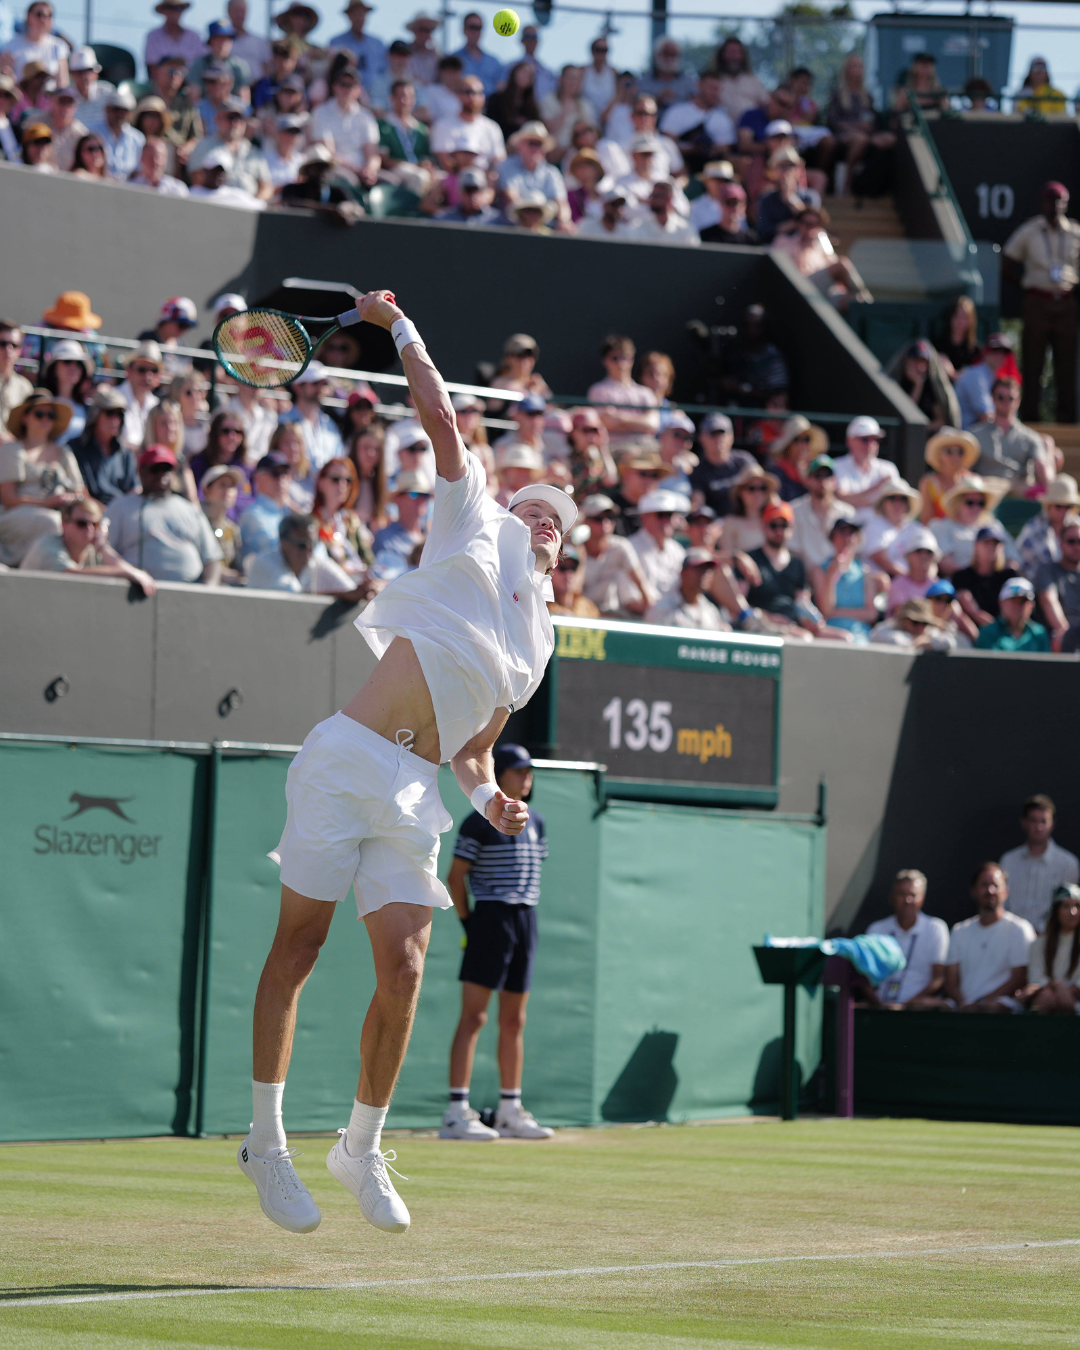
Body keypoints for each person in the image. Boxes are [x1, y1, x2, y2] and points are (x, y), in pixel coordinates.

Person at [239, 289, 574, 1235]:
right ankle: (266, 1142)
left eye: (558, 520)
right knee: (299, 949)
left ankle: (360, 1147)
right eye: (534, 508)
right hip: (347, 759)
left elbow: (474, 749)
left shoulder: (538, 642)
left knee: (408, 968)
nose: (544, 521)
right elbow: (439, 414)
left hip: (417, 794)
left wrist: (490, 800)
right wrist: (397, 326)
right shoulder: (473, 519)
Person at [442, 743, 554, 1141]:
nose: (527, 777)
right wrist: (470, 924)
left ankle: (509, 1111)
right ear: (500, 774)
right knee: (474, 1017)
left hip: (526, 920)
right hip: (490, 918)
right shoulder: (477, 822)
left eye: (529, 771)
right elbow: (455, 878)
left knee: (514, 1020)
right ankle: (456, 1113)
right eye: (519, 770)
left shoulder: (537, 822)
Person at [1002, 182, 1079, 425]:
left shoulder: (1076, 232)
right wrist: (1026, 286)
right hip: (1037, 303)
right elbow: (1007, 262)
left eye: (1060, 201)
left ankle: (1067, 421)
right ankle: (1030, 420)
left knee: (1066, 365)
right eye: (1051, 201)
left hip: (1066, 304)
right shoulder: (1030, 231)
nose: (1055, 206)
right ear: (1043, 203)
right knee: (1033, 363)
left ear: (1066, 204)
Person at [103, 445, 222, 585]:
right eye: (155, 469)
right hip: (135, 590)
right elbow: (103, 550)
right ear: (141, 471)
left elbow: (212, 559)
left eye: (167, 469)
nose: (161, 474)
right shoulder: (121, 507)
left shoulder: (190, 510)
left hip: (190, 591)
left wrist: (208, 589)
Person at [0, 388, 84, 565]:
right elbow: (8, 499)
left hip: (62, 514)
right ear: (25, 418)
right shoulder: (12, 449)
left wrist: (70, 499)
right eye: (39, 414)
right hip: (17, 516)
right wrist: (46, 503)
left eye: (50, 415)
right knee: (51, 522)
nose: (45, 419)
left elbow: (81, 492)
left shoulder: (64, 452)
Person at [944, 863, 1035, 1012]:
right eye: (984, 885)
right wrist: (965, 1004)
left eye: (995, 885)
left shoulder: (1020, 929)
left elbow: (1020, 978)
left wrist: (982, 1003)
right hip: (963, 1008)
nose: (990, 890)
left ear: (1006, 891)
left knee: (993, 1007)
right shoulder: (959, 930)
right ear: (973, 891)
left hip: (1002, 1009)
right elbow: (951, 982)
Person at [20, 493, 156, 592]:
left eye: (95, 524)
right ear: (64, 524)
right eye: (82, 523)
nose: (90, 530)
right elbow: (69, 575)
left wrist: (102, 546)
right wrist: (124, 573)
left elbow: (128, 571)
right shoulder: (47, 546)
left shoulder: (93, 550)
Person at [863, 870, 949, 1009]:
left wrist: (905, 1006)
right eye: (902, 894)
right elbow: (865, 979)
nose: (907, 900)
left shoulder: (936, 928)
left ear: (922, 899)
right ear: (892, 897)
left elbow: (939, 978)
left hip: (918, 1010)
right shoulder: (876, 929)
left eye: (913, 895)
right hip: (879, 1008)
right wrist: (880, 1006)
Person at [247, 510, 364, 597]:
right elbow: (293, 598)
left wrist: (363, 591)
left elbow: (351, 590)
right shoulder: (263, 563)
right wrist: (345, 595)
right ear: (283, 543)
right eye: (302, 545)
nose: (309, 551)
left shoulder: (317, 562)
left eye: (313, 544)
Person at [579, 493, 655, 618]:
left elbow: (640, 581)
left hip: (611, 614)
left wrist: (649, 609)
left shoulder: (620, 547)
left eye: (610, 518)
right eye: (598, 519)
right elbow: (573, 593)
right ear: (584, 521)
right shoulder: (574, 549)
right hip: (581, 615)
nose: (606, 523)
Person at [971, 377, 1051, 494]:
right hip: (986, 493)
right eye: (1000, 397)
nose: (1006, 402)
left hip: (1020, 493)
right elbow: (965, 470)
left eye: (1011, 398)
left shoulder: (1031, 437)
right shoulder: (975, 435)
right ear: (992, 398)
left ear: (1018, 401)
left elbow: (1042, 468)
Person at [810, 518, 886, 640]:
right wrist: (831, 575)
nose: (847, 538)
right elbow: (826, 610)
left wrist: (836, 612)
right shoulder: (819, 570)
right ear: (832, 538)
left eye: (852, 532)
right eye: (842, 532)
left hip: (861, 635)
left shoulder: (865, 572)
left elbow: (871, 614)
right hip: (833, 634)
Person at [931, 474, 1013, 576]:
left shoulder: (994, 526)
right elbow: (945, 565)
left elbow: (1013, 558)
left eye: (981, 503)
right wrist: (973, 579)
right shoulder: (941, 526)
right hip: (959, 583)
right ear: (958, 503)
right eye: (970, 502)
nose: (976, 508)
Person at [70, 386, 137, 507]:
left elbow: (134, 490)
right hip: (89, 513)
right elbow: (81, 493)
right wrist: (107, 513)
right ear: (95, 415)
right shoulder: (76, 448)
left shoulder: (125, 453)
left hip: (123, 512)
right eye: (110, 413)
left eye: (120, 414)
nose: (115, 420)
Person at [586, 334, 659, 445]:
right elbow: (608, 423)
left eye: (625, 357)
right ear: (605, 361)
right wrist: (640, 421)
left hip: (646, 448)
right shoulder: (598, 390)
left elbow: (653, 424)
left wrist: (620, 418)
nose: (621, 363)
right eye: (615, 358)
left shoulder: (645, 392)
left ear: (632, 359)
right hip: (615, 449)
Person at [788, 454, 856, 570]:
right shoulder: (793, 511)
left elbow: (854, 549)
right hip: (806, 575)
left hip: (840, 574)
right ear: (808, 480)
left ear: (835, 481)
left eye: (828, 475)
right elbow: (793, 551)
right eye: (817, 475)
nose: (823, 480)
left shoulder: (848, 513)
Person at [831, 416, 899, 526]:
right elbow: (841, 498)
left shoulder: (888, 468)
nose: (871, 445)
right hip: (846, 530)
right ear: (849, 441)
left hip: (879, 531)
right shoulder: (836, 466)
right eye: (864, 439)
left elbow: (894, 506)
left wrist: (857, 500)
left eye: (875, 440)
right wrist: (878, 487)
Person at [1022, 885, 1080, 1013]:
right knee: (1046, 998)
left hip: (1076, 1004)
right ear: (1056, 910)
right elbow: (1035, 979)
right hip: (1046, 997)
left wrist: (1066, 992)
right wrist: (1056, 986)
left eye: (1077, 906)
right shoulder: (1038, 945)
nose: (1073, 912)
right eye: (1066, 906)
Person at [430, 75, 505, 172]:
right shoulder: (443, 125)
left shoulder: (492, 127)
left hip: (484, 177)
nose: (473, 97)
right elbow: (446, 163)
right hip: (454, 178)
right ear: (458, 95)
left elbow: (498, 161)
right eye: (468, 92)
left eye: (479, 93)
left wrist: (488, 176)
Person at [952, 526, 1020, 628]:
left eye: (995, 543)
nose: (991, 547)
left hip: (1009, 631)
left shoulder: (1010, 576)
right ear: (976, 545)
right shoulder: (962, 577)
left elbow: (1017, 608)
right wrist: (997, 631)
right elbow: (973, 611)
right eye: (986, 542)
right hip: (975, 632)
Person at [1017, 474, 1080, 581]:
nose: (1064, 511)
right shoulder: (1033, 528)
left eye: (1068, 506)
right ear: (1049, 506)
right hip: (1038, 584)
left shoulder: (1077, 526)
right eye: (1059, 506)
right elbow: (1024, 566)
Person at [647, 547, 728, 629]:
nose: (705, 574)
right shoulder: (662, 608)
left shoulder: (711, 611)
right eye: (699, 568)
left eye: (708, 569)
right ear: (683, 573)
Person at [858, 478, 921, 578]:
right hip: (883, 583)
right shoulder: (873, 526)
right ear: (883, 502)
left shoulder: (916, 528)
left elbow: (929, 557)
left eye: (902, 499)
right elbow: (881, 560)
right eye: (892, 498)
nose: (897, 503)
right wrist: (910, 579)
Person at [917, 427, 980, 522]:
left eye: (960, 452)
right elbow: (926, 520)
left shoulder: (972, 480)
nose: (955, 456)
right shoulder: (929, 482)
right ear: (939, 455)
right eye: (949, 451)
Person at [239, 450, 294, 559]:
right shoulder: (252, 514)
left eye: (285, 472)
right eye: (275, 473)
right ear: (258, 477)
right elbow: (277, 552)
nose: (281, 479)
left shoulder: (289, 511)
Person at [953, 333, 1014, 430]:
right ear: (986, 352)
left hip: (981, 432)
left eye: (1004, 352)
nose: (1000, 356)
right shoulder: (976, 375)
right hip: (965, 433)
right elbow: (985, 416)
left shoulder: (993, 376)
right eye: (996, 351)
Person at [974, 576, 1049, 652]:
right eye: (1013, 601)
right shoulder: (988, 633)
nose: (1017, 607)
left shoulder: (1039, 634)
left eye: (1022, 602)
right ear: (1001, 603)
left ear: (1031, 605)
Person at [2, 1, 69, 81]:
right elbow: (5, 79)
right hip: (19, 88)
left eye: (49, 15)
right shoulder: (11, 45)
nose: (44, 19)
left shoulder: (59, 46)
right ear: (29, 16)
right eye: (39, 14)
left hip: (50, 89)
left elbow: (63, 83)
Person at [709, 35, 768, 124]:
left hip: (750, 129)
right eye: (729, 52)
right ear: (722, 55)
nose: (733, 56)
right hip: (720, 128)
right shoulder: (714, 81)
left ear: (743, 55)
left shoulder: (753, 81)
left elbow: (766, 104)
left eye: (737, 52)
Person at [328, 0, 386, 88]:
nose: (359, 18)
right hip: (347, 92)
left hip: (375, 92)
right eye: (355, 14)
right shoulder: (337, 42)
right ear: (349, 16)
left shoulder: (378, 44)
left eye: (361, 14)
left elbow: (383, 71)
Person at [199, 463, 245, 574]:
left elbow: (235, 564)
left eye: (232, 486)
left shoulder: (232, 529)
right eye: (222, 485)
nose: (228, 491)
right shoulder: (196, 521)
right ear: (206, 490)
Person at [885, 527, 940, 614]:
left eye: (929, 552)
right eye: (919, 551)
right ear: (908, 556)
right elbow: (903, 616)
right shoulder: (898, 584)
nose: (924, 556)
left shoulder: (938, 585)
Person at [450, 11, 505, 97]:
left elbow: (502, 86)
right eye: (472, 27)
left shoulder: (494, 62)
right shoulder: (453, 60)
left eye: (479, 28)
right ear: (464, 30)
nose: (475, 32)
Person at [144, 0, 206, 72]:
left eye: (180, 8)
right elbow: (153, 68)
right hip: (163, 78)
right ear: (163, 11)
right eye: (171, 8)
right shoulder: (153, 36)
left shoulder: (193, 36)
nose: (175, 12)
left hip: (192, 78)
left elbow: (204, 64)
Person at [869, 596, 950, 650]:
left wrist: (927, 642)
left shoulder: (929, 632)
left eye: (925, 623)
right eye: (915, 622)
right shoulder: (888, 627)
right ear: (904, 620)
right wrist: (916, 642)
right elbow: (895, 641)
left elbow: (949, 642)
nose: (920, 627)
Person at [640, 36, 696, 112]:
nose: (669, 58)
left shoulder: (689, 82)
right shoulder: (644, 81)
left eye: (673, 54)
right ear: (657, 55)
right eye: (665, 53)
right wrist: (657, 100)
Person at [636, 179, 699, 245]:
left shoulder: (685, 229)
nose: (652, 199)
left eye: (656, 196)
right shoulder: (639, 227)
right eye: (652, 195)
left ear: (669, 198)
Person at [0, 319, 33, 442]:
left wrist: (9, 439)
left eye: (14, 345)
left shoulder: (25, 387)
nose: (8, 349)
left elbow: (30, 427)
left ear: (19, 350)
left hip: (13, 449)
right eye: (3, 343)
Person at [700, 181, 760, 246]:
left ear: (745, 206)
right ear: (720, 204)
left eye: (739, 203)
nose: (735, 208)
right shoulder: (706, 236)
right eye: (729, 203)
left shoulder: (751, 239)